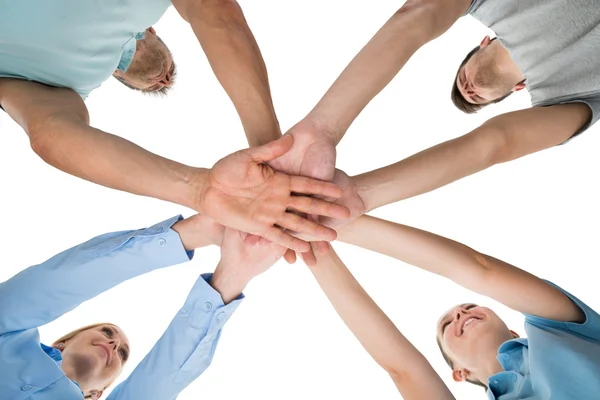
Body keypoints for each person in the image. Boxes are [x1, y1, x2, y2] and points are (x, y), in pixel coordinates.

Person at [0, 0, 352, 251]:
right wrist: (275, 152)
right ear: (151, 31)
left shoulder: (58, 83)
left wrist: (201, 189)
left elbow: (50, 132)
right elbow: (216, 12)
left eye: (160, 84)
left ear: (116, 75)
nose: (162, 78)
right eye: (167, 73)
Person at [272, 0, 599, 218]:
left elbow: (418, 16)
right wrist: (359, 194)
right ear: (517, 91)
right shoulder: (568, 96)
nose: (469, 90)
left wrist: (322, 128)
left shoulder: (493, 4)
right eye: (476, 98)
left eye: (461, 81)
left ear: (482, 43)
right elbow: (496, 143)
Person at [307, 214, 600, 399]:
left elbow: (479, 269)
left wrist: (323, 220)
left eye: (469, 306)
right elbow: (404, 368)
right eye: (448, 325)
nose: (460, 313)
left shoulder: (560, 327)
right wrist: (308, 239)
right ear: (459, 373)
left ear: (513, 333)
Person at [0, 213, 287, 399]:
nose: (113, 346)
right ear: (63, 342)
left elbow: (158, 382)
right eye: (107, 333)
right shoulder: (7, 336)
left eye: (122, 353)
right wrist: (195, 233)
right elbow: (56, 282)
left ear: (97, 394)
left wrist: (232, 274)